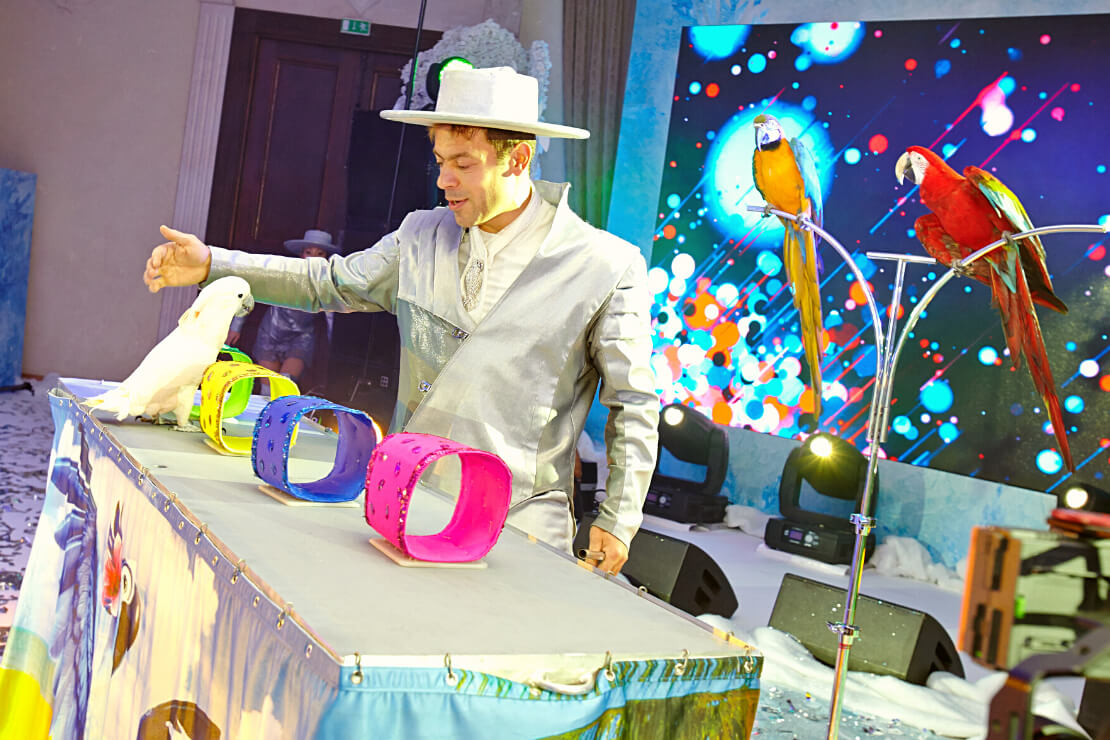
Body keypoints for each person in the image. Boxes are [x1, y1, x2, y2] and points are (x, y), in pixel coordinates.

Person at [143, 66, 659, 574]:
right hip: (407, 500)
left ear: (518, 159)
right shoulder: (419, 236)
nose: (444, 181)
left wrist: (619, 518)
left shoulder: (605, 266)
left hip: (520, 525)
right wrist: (213, 264)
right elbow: (327, 282)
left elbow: (633, 402)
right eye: (440, 161)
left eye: (463, 164)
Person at [227, 230, 338, 385]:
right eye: (309, 252)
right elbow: (251, 293)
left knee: (286, 384)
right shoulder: (284, 273)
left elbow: (331, 314)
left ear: (325, 258)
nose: (313, 258)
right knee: (268, 388)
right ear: (302, 254)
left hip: (302, 338)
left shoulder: (327, 283)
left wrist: (331, 345)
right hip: (271, 333)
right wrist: (236, 326)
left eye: (319, 254)